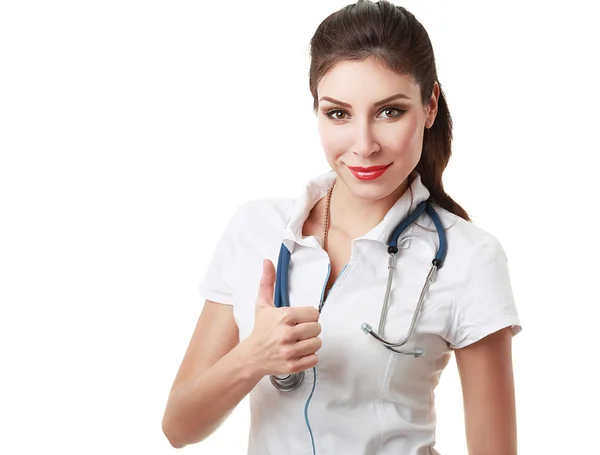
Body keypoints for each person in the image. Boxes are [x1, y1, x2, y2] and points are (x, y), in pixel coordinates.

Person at [161, 1, 522, 454]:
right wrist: (252, 357)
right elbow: (178, 426)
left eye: (390, 112)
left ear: (429, 105)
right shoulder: (255, 229)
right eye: (338, 114)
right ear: (316, 110)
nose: (364, 145)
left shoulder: (468, 257)